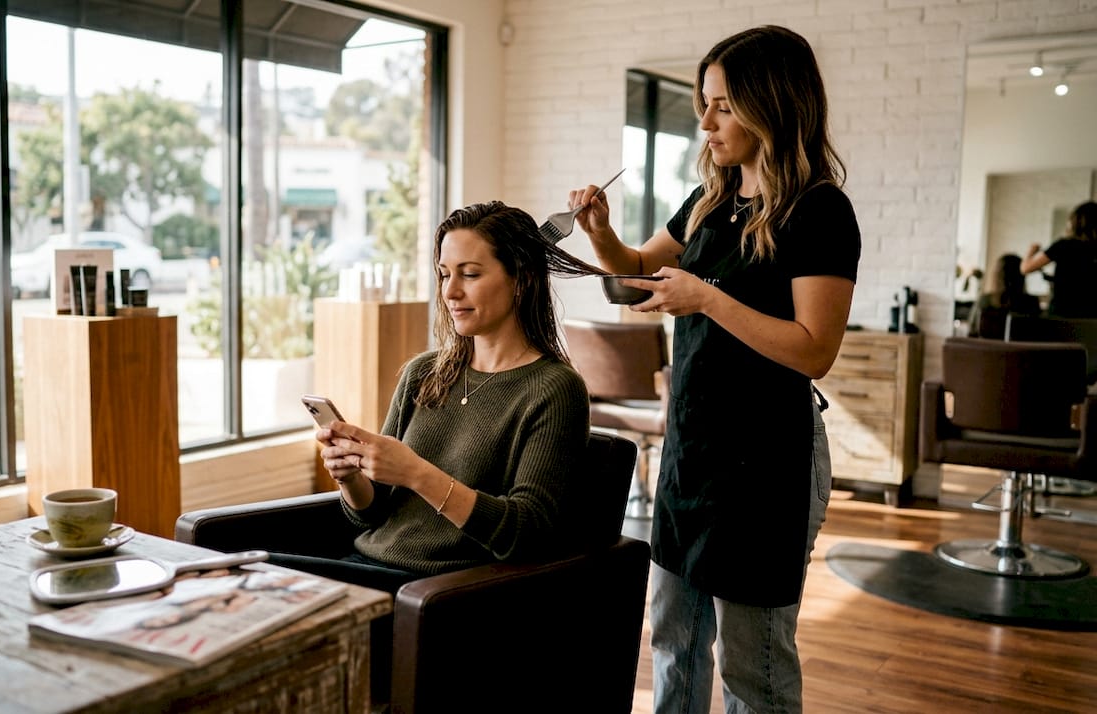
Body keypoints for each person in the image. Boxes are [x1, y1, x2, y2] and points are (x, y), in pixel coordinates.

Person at [570, 26, 861, 713]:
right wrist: (603, 236)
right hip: (693, 449)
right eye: (705, 103)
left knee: (752, 667)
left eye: (723, 105)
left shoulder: (819, 210)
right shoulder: (711, 202)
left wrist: (704, 296)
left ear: (773, 104)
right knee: (672, 637)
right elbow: (637, 273)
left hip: (767, 461)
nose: (705, 122)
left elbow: (815, 349)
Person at [271, 200, 601, 698]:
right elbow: (371, 515)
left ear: (521, 278)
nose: (450, 291)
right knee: (241, 575)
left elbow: (525, 534)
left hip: (443, 596)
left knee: (258, 579)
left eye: (470, 274)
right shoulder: (424, 372)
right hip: (368, 568)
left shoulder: (553, 390)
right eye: (444, 273)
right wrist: (351, 476)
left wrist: (417, 473)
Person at [1021, 201, 1097, 318]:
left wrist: (1031, 251)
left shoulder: (1063, 245)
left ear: (1074, 222)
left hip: (1061, 315)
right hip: (1091, 318)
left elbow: (1025, 268)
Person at [967, 253, 1040, 338]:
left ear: (997, 275)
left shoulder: (984, 300)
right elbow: (1036, 336)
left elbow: (972, 333)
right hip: (1020, 351)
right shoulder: (1031, 303)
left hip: (987, 350)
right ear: (1021, 276)